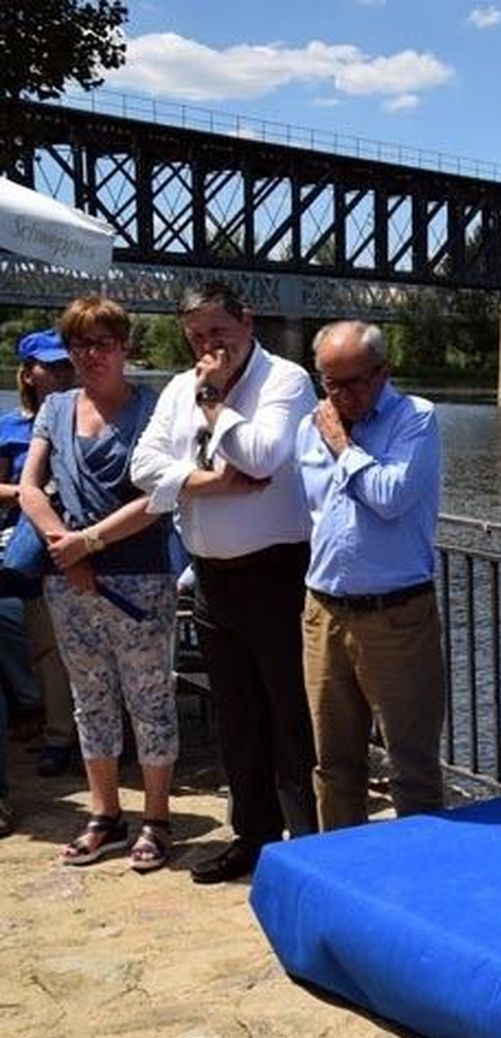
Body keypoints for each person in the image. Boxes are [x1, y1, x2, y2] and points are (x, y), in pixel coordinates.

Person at [130, 282, 319, 884]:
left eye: (219, 333)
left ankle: (306, 848)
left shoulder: (285, 380)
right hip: (212, 580)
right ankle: (254, 839)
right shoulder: (178, 389)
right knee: (238, 719)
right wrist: (212, 482)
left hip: (277, 574)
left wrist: (215, 405)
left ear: (247, 321)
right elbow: (143, 467)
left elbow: (263, 456)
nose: (209, 349)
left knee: (290, 718)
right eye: (196, 338)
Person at [18, 298, 179, 870]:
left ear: (125, 348)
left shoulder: (155, 410)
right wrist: (65, 546)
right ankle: (104, 814)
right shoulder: (56, 408)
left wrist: (88, 545)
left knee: (150, 699)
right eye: (80, 345)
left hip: (140, 579)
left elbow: (159, 499)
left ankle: (156, 821)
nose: (91, 355)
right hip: (70, 580)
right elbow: (31, 487)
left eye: (103, 344)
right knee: (91, 701)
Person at [296, 321, 445, 830]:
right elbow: (310, 512)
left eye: (356, 382)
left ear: (384, 372)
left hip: (396, 616)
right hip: (325, 612)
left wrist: (342, 446)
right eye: (330, 384)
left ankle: (419, 879)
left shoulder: (414, 419)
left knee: (411, 767)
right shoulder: (308, 425)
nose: (343, 396)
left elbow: (390, 496)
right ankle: (343, 878)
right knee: (334, 765)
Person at [0, 330, 77, 780]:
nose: (65, 372)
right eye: (55, 365)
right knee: (48, 646)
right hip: (36, 545)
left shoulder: (91, 413)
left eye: (68, 364)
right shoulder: (11, 427)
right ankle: (57, 735)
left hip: (91, 539)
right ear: (29, 373)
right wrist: (34, 493)